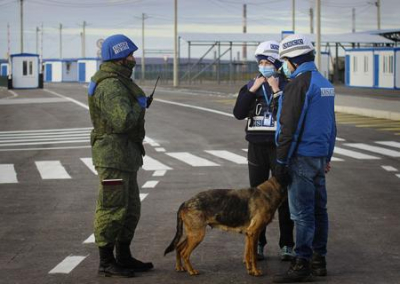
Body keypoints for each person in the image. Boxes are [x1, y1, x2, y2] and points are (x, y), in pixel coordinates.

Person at [270, 34, 336, 283]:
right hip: (319, 156)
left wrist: (281, 161)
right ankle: (319, 260)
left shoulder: (298, 85)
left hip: (300, 157)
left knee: (302, 214)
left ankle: (302, 262)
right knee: (320, 210)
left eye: (284, 60)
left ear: (293, 60)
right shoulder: (324, 83)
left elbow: (289, 127)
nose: (282, 66)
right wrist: (327, 155)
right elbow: (332, 125)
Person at [88, 34, 154, 278]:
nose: (133, 59)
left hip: (125, 156)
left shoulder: (118, 80)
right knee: (112, 208)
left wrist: (139, 104)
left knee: (130, 209)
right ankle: (106, 261)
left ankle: (123, 256)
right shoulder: (110, 85)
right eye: (129, 55)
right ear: (119, 57)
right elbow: (123, 120)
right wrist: (140, 105)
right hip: (112, 157)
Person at [233, 41, 295, 262]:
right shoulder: (252, 85)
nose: (263, 65)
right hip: (256, 148)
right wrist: (252, 90)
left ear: (277, 63)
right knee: (256, 197)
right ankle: (258, 242)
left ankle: (287, 244)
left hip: (280, 148)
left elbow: (291, 113)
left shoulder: (288, 85)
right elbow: (239, 113)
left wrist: (277, 89)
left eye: (268, 62)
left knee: (284, 198)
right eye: (260, 62)